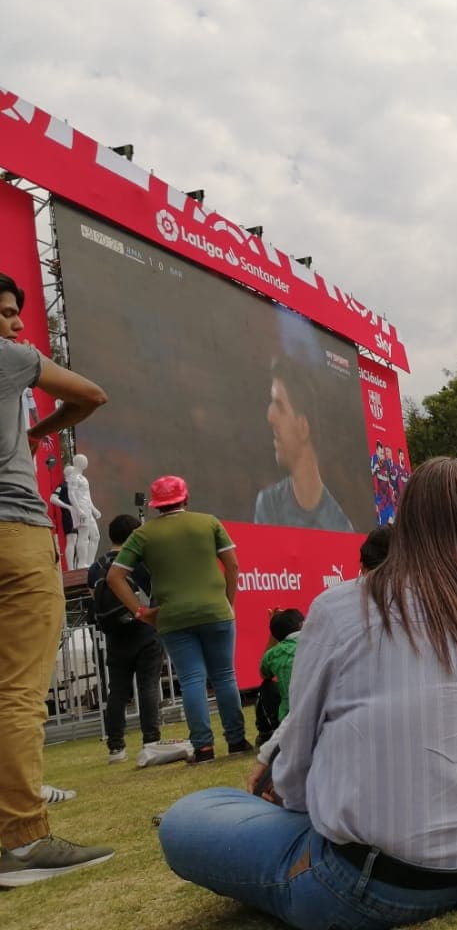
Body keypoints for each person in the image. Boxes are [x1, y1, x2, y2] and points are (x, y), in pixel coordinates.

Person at [158, 457, 457, 930]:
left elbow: (296, 770)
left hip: (376, 886)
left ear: (408, 522)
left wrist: (289, 791)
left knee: (190, 816)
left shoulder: (340, 607)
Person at [0, 271, 114, 886]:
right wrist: (37, 433)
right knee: (18, 694)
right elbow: (92, 396)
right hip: (13, 532)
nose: (16, 323)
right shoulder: (12, 358)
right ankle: (22, 842)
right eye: (4, 313)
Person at [107, 475, 251, 763]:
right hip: (216, 611)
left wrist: (141, 611)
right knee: (224, 676)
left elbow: (114, 576)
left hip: (172, 617)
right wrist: (228, 602)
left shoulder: (143, 534)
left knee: (191, 679)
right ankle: (236, 741)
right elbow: (233, 565)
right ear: (186, 498)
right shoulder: (209, 522)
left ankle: (203, 748)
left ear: (155, 505)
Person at [86, 514, 182, 766]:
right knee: (148, 685)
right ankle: (151, 740)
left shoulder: (96, 567)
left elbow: (96, 599)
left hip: (114, 636)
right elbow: (156, 592)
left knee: (117, 690)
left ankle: (116, 747)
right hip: (144, 630)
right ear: (134, 535)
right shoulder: (139, 563)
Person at [254, 355, 353, 532]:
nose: (270, 416)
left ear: (303, 428)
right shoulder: (268, 504)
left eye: (280, 407)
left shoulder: (339, 526)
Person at [259, 609, 304, 722]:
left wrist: (274, 629)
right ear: (301, 624)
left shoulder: (273, 654)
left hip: (288, 718)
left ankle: (268, 728)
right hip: (327, 712)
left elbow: (264, 673)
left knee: (267, 686)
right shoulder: (321, 642)